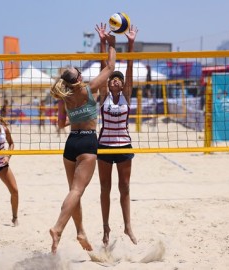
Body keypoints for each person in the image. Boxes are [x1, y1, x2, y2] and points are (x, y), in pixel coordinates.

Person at [48, 31, 117, 254]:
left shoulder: (64, 97)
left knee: (73, 191)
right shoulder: (87, 89)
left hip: (71, 144)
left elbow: (60, 124)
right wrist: (110, 42)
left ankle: (80, 231)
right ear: (78, 78)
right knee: (76, 191)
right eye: (79, 71)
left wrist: (75, 118)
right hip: (87, 143)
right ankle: (58, 228)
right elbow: (109, 67)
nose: (80, 72)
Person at [95, 23, 138, 246]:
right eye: (114, 78)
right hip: (103, 146)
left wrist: (130, 43)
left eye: (119, 79)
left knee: (125, 187)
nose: (116, 79)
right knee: (105, 189)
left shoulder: (126, 95)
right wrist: (104, 41)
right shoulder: (104, 95)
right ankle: (105, 228)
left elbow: (128, 69)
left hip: (123, 146)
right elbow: (105, 68)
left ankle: (128, 226)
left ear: (122, 85)